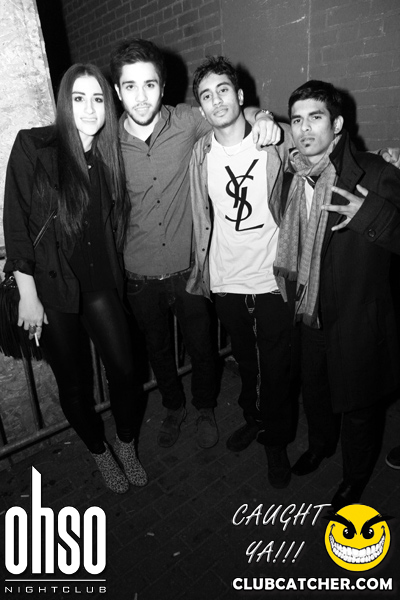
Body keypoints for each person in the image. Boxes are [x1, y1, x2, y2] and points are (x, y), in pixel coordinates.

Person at [109, 39, 280, 449]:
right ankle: (173, 406)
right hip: (138, 274)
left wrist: (264, 117)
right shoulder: (107, 141)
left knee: (202, 348)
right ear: (117, 91)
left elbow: (231, 112)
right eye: (130, 86)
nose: (140, 96)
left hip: (189, 269)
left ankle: (204, 406)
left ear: (163, 85)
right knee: (157, 351)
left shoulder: (187, 121)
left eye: (149, 84)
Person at [3, 64, 147, 494]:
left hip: (100, 284)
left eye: (98, 99)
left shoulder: (109, 155)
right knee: (74, 384)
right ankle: (100, 451)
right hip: (51, 290)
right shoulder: (35, 145)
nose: (89, 108)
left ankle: (125, 444)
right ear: (64, 102)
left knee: (125, 371)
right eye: (78, 98)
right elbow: (16, 224)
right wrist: (28, 295)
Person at [274, 80, 400, 509]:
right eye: (297, 120)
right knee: (315, 391)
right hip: (310, 311)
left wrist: (370, 213)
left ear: (338, 124)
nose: (304, 129)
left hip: (358, 317)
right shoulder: (293, 175)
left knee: (360, 408)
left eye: (316, 117)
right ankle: (320, 446)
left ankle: (354, 479)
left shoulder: (375, 173)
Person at [187, 56, 299, 488]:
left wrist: (269, 118)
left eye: (223, 91)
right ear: (201, 108)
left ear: (239, 95)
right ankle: (254, 419)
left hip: (272, 281)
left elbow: (317, 148)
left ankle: (276, 440)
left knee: (277, 369)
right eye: (206, 95)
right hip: (226, 282)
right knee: (247, 362)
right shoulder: (201, 154)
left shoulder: (274, 140)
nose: (216, 101)